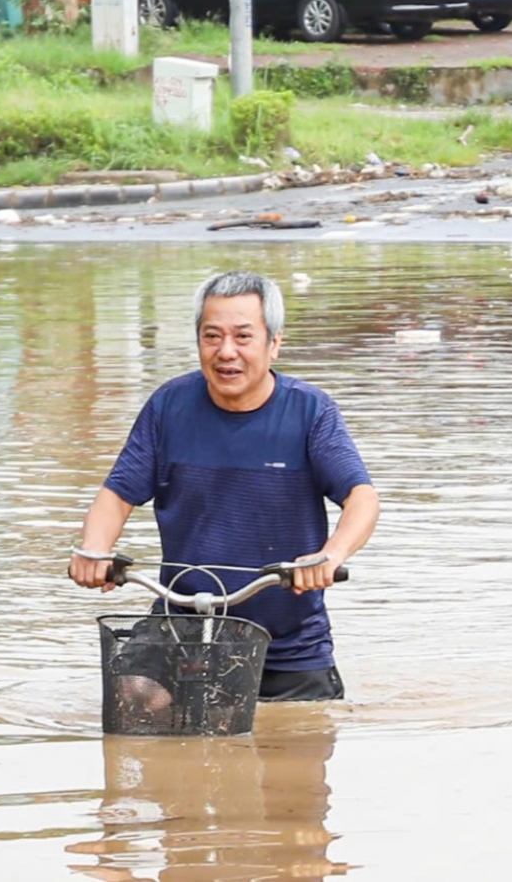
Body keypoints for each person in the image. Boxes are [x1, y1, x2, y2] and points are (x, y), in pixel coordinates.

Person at [68, 270, 380, 701]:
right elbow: (118, 495)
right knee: (134, 697)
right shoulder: (168, 406)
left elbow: (361, 497)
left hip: (288, 645)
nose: (226, 352)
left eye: (243, 337)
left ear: (274, 343)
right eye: (212, 336)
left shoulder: (310, 412)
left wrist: (331, 555)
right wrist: (94, 550)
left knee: (297, 754)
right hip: (180, 628)